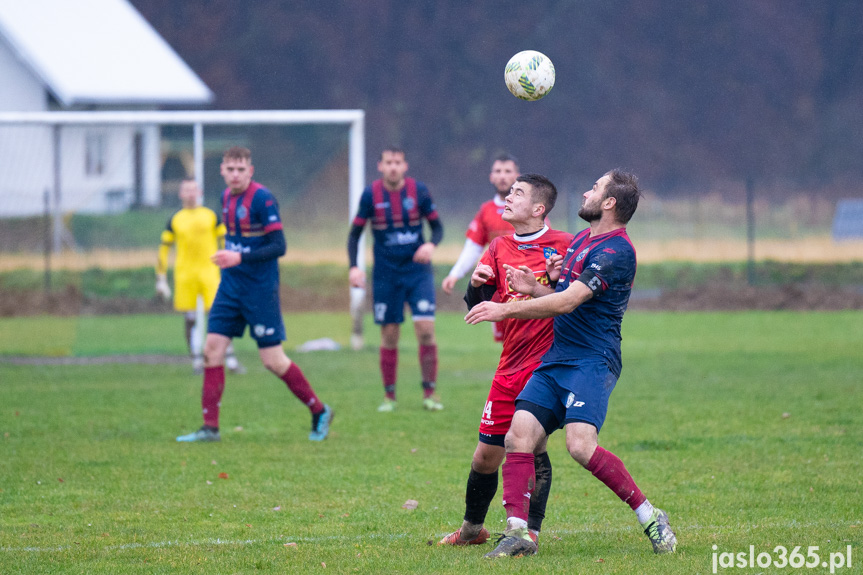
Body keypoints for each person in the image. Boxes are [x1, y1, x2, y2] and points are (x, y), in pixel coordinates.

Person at [465, 169, 677, 558]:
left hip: (592, 361)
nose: (586, 192)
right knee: (518, 436)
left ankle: (650, 515)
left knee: (580, 446)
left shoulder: (616, 251)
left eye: (595, 188)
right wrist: (535, 287)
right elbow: (559, 293)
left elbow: (567, 302)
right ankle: (518, 533)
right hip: (557, 359)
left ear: (609, 203)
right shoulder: (582, 239)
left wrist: (505, 309)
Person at [438, 174, 573, 550]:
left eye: (517, 193)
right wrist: (478, 283)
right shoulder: (498, 246)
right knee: (485, 456)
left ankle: (527, 534)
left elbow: (574, 304)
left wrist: (549, 285)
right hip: (508, 364)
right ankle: (471, 531)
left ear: (538, 208)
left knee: (531, 443)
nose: (508, 198)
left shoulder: (565, 245)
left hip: (546, 365)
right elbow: (476, 304)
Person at [176, 147, 333, 443]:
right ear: (222, 170)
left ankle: (319, 410)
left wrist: (240, 258)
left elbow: (279, 246)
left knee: (272, 360)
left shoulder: (262, 199)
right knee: (212, 350)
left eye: (241, 169)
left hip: (260, 290)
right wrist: (232, 260)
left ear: (251, 171)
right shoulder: (224, 198)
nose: (235, 174)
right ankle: (210, 427)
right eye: (230, 169)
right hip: (231, 287)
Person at [347, 147, 444, 412]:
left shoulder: (419, 191)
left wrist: (431, 246)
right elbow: (355, 234)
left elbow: (437, 227)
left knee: (425, 331)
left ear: (405, 165)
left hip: (418, 272)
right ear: (380, 166)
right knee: (390, 334)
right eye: (388, 162)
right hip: (386, 275)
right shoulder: (371, 194)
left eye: (397, 162)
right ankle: (389, 397)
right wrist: (354, 267)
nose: (393, 167)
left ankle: (430, 394)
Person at [156, 179, 243, 375]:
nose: (190, 194)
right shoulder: (175, 219)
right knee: (190, 318)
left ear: (200, 192)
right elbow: (164, 249)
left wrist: (232, 267)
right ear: (181, 194)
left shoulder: (211, 216)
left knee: (219, 314)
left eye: (193, 190)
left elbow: (226, 241)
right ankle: (196, 359)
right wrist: (160, 277)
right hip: (185, 274)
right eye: (186, 190)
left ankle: (230, 359)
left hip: (209, 272)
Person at [441, 153, 520, 343]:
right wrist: (455, 273)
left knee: (526, 338)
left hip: (524, 286)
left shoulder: (528, 208)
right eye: (498, 171)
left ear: (517, 176)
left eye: (507, 171)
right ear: (491, 177)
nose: (502, 176)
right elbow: (473, 247)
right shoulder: (486, 210)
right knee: (506, 342)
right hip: (497, 288)